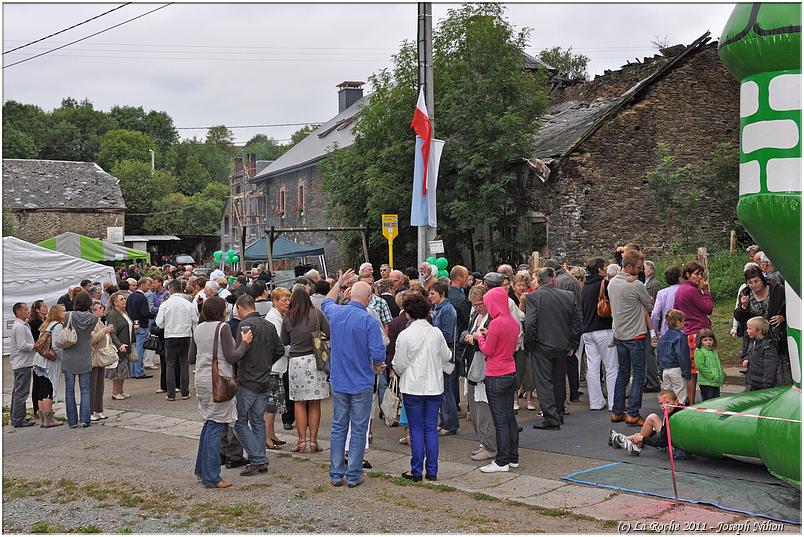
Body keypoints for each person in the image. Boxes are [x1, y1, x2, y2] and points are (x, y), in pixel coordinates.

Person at [322, 269, 386, 488]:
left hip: (339, 381)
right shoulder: (368, 321)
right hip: (361, 382)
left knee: (338, 426)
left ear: (350, 295)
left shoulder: (336, 313)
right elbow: (378, 353)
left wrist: (338, 284)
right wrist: (377, 364)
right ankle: (353, 474)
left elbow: (326, 302)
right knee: (358, 429)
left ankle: (336, 472)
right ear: (368, 299)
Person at [191, 296, 252, 489]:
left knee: (209, 423)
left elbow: (191, 356)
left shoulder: (199, 328)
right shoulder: (222, 327)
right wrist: (245, 342)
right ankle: (211, 476)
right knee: (216, 426)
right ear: (221, 311)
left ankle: (203, 469)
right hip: (218, 380)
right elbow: (232, 356)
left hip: (202, 378)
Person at [393, 293, 454, 482]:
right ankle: (433, 470)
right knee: (430, 429)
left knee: (416, 428)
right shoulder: (435, 332)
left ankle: (416, 469)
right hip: (434, 386)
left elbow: (399, 364)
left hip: (412, 386)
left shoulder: (405, 334)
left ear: (408, 313)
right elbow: (447, 355)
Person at [227, 294, 285, 477]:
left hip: (248, 379)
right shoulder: (268, 324)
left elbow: (238, 352)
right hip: (264, 379)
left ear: (241, 307)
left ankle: (258, 458)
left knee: (239, 421)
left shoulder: (245, 326)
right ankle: (259, 459)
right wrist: (267, 363)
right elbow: (280, 349)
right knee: (258, 420)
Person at [525, 267, 582, 430]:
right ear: (554, 279)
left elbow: (530, 324)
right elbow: (577, 320)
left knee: (544, 381)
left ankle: (551, 417)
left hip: (541, 345)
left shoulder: (534, 297)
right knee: (558, 380)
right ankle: (559, 412)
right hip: (561, 344)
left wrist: (530, 344)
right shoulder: (568, 296)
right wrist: (572, 342)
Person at [474, 286, 520, 473]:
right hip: (510, 370)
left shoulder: (496, 323)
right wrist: (488, 335)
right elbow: (504, 342)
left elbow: (488, 350)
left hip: (495, 374)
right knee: (509, 418)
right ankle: (513, 457)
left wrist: (479, 338)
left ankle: (501, 461)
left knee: (500, 421)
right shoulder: (512, 321)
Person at [281, 285, 331, 453]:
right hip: (315, 361)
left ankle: (301, 441)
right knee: (315, 403)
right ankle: (314, 441)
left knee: (299, 403)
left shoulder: (288, 317)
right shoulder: (316, 314)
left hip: (296, 362)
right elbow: (329, 332)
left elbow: (284, 340)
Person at [608, 250, 653, 426]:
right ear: (628, 267)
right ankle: (633, 413)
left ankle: (617, 411)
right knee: (639, 375)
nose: (640, 271)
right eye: (638, 268)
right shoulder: (636, 285)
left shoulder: (612, 283)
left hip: (619, 334)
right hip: (636, 335)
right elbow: (649, 305)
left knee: (622, 373)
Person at [733, 265, 789, 385]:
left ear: (762, 279)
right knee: (758, 373)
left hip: (776, 339)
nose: (754, 285)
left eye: (756, 281)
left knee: (778, 372)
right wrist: (744, 306)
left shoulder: (778, 290)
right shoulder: (745, 294)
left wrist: (782, 317)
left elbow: (792, 308)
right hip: (755, 340)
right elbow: (739, 317)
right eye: (750, 282)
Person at [462, 284, 497, 462]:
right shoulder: (477, 315)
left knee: (484, 412)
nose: (477, 307)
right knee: (476, 411)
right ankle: (484, 442)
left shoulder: (492, 319)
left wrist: (474, 340)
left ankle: (490, 445)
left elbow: (490, 344)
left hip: (485, 368)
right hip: (474, 366)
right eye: (474, 304)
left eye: (479, 304)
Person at [581, 258, 618, 411]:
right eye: (604, 267)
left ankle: (595, 402)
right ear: (599, 270)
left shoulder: (584, 287)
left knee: (593, 367)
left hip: (587, 330)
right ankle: (613, 402)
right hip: (604, 328)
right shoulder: (605, 284)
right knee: (611, 367)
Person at [673, 261, 713, 405]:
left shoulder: (680, 290)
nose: (699, 277)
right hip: (700, 332)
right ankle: (708, 401)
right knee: (704, 369)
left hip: (688, 332)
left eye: (701, 274)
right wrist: (706, 292)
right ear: (688, 274)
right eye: (696, 274)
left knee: (692, 371)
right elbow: (708, 308)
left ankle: (690, 401)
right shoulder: (693, 290)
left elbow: (676, 309)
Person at [156, 279, 199, 401]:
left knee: (170, 364)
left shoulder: (165, 304)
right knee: (184, 363)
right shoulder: (188, 304)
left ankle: (171, 394)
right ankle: (185, 392)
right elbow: (195, 319)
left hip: (170, 335)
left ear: (170, 289)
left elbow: (159, 323)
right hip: (185, 335)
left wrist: (167, 325)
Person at [61, 291, 99, 428]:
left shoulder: (67, 315)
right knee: (85, 389)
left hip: (69, 356)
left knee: (69, 390)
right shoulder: (93, 318)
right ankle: (85, 419)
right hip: (84, 356)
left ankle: (72, 421)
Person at [609, 389, 684, 457]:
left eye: (667, 402)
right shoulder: (677, 410)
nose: (664, 406)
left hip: (675, 450)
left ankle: (634, 444)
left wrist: (642, 438)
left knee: (652, 419)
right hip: (674, 442)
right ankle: (627, 440)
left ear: (676, 402)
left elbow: (662, 442)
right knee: (652, 421)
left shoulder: (673, 418)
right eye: (661, 403)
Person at [429, 281, 459, 436]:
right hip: (439, 353)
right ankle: (445, 421)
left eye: (433, 293)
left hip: (445, 353)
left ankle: (451, 423)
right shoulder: (437, 309)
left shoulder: (447, 310)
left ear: (442, 294)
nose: (430, 296)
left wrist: (433, 333)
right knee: (442, 390)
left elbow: (447, 334)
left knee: (446, 390)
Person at [264, 287, 291, 450]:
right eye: (284, 300)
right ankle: (266, 436)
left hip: (278, 366)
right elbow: (278, 344)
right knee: (270, 404)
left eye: (288, 300)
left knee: (274, 405)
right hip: (273, 366)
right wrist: (293, 349)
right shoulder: (273, 318)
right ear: (274, 301)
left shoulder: (279, 316)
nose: (287, 303)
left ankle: (271, 434)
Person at [34, 305, 66, 428]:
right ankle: (49, 419)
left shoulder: (47, 324)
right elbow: (57, 346)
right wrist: (64, 360)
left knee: (42, 388)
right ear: (57, 313)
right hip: (49, 361)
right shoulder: (57, 326)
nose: (65, 312)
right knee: (48, 389)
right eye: (63, 311)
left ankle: (43, 418)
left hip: (40, 359)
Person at [10, 302, 37, 428]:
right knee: (21, 392)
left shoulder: (22, 325)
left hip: (21, 362)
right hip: (22, 363)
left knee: (17, 391)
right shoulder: (19, 326)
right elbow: (22, 345)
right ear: (19, 312)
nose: (28, 311)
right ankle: (18, 418)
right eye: (25, 309)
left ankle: (15, 416)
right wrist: (34, 346)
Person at [510, 271, 535, 411]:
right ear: (514, 287)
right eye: (518, 285)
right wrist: (522, 302)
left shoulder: (531, 297)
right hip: (517, 340)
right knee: (517, 369)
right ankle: (515, 399)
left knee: (529, 370)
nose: (521, 288)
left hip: (528, 338)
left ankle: (529, 399)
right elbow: (519, 317)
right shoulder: (511, 300)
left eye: (523, 285)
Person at [656, 309, 691, 404]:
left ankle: (667, 416)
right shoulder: (680, 337)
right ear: (678, 322)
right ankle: (678, 415)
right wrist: (686, 371)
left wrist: (660, 370)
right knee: (680, 396)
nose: (684, 324)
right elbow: (682, 355)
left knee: (667, 397)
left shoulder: (663, 338)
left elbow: (658, 355)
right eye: (683, 321)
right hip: (677, 369)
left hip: (665, 370)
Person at [105, 292, 135, 400]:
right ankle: (115, 391)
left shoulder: (124, 313)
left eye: (124, 299)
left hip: (127, 343)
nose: (124, 301)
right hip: (120, 345)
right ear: (115, 302)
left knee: (124, 369)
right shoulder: (113, 315)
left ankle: (121, 390)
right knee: (117, 370)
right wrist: (119, 344)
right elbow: (112, 332)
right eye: (121, 299)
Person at [89, 300, 114, 421]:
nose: (102, 309)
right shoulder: (92, 323)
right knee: (92, 385)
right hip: (94, 356)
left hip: (101, 354)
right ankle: (91, 410)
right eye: (99, 308)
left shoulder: (100, 321)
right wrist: (104, 331)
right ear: (93, 311)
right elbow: (92, 339)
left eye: (102, 307)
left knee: (100, 385)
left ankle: (99, 409)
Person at [126, 277, 154, 379]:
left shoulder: (130, 296)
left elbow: (127, 310)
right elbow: (145, 313)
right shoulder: (142, 298)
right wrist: (154, 314)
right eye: (147, 285)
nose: (149, 287)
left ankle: (134, 371)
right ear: (142, 285)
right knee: (139, 350)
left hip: (133, 326)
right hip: (141, 326)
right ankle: (139, 372)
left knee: (134, 349)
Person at [742, 317, 779, 391]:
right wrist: (747, 359)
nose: (747, 331)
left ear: (759, 331)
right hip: (752, 382)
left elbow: (770, 367)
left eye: (749, 329)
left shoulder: (768, 346)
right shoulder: (753, 342)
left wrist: (767, 384)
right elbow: (750, 354)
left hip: (763, 384)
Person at [27, 300, 48, 419]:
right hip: (38, 354)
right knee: (38, 383)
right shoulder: (35, 323)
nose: (46, 308)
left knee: (43, 382)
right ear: (38, 310)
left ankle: (43, 407)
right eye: (43, 307)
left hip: (43, 354)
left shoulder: (44, 321)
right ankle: (37, 409)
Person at [650, 265, 682, 338]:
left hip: (666, 330)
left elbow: (655, 314)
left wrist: (655, 331)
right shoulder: (685, 291)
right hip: (683, 329)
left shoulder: (662, 293)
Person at [695, 328, 724, 400]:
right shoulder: (700, 352)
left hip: (715, 381)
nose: (708, 342)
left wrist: (722, 374)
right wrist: (711, 376)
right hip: (706, 382)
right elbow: (700, 366)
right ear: (700, 341)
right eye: (705, 340)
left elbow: (718, 364)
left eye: (710, 340)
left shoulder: (713, 351)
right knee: (707, 401)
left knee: (715, 400)